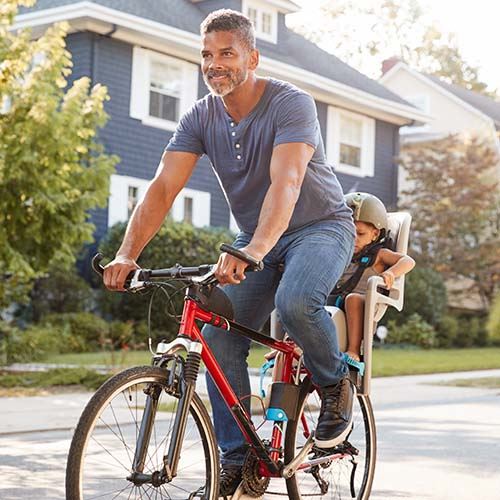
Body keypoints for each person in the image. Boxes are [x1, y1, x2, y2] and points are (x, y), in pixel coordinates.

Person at [103, 9, 356, 497]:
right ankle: (239, 462)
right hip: (256, 236)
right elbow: (161, 188)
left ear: (252, 57)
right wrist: (126, 254)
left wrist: (255, 248)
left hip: (320, 226)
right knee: (216, 332)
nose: (213, 64)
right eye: (206, 55)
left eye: (226, 53)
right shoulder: (200, 116)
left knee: (296, 300)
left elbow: (287, 183)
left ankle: (334, 384)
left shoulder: (291, 104)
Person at [336, 192, 415, 364]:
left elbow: (408, 261)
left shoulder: (379, 254)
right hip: (338, 301)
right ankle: (291, 348)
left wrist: (390, 273)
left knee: (353, 299)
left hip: (366, 303)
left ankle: (354, 350)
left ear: (374, 234)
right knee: (306, 297)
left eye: (360, 233)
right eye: (348, 232)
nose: (354, 239)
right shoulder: (343, 255)